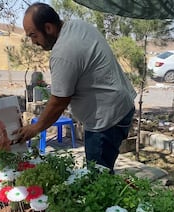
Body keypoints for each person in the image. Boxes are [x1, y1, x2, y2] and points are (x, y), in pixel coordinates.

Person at [16, 3, 136, 172]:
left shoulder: (63, 53)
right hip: (120, 105)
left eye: (33, 35)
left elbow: (59, 101)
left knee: (98, 178)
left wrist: (35, 128)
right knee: (102, 172)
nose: (33, 42)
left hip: (106, 119)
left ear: (48, 28)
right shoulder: (77, 25)